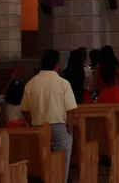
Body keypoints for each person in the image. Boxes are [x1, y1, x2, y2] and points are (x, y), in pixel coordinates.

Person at [21, 49, 77, 183]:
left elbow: (24, 110)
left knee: (42, 159)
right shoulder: (63, 83)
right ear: (56, 65)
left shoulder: (31, 83)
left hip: (38, 128)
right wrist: (70, 131)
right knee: (62, 159)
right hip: (58, 128)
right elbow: (70, 110)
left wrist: (32, 124)